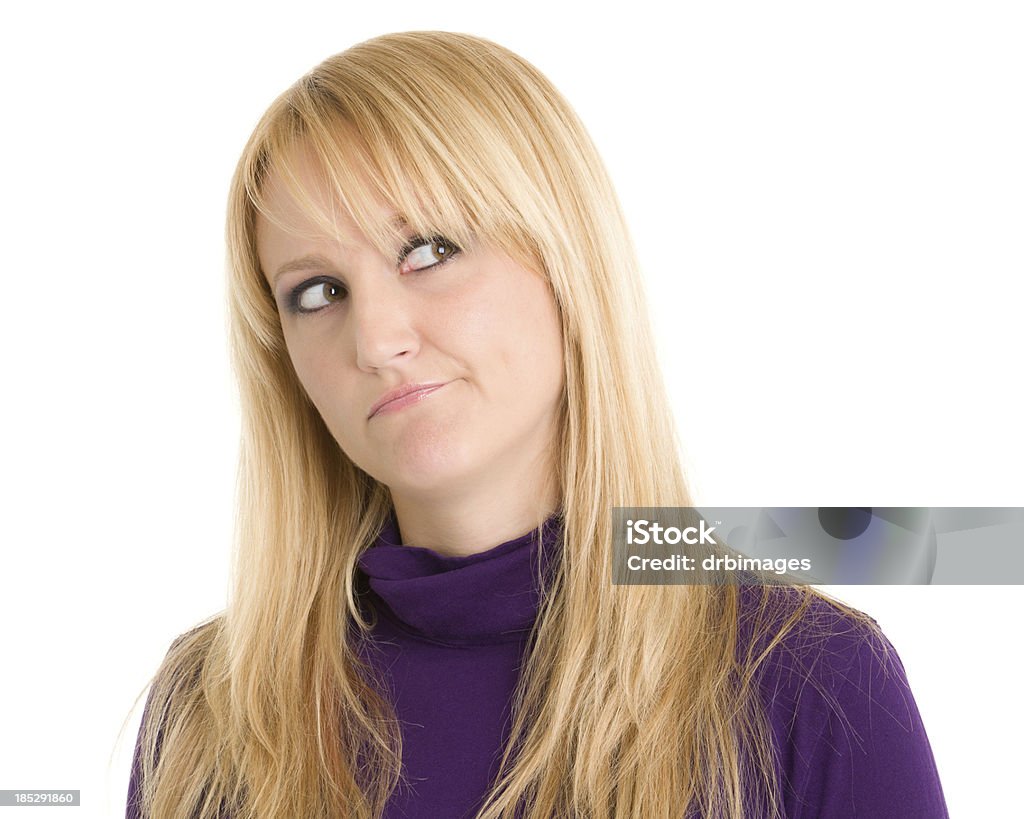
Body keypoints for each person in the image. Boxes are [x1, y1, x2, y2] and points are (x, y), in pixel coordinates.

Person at [126, 31, 949, 818]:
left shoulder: (810, 684)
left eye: (428, 250)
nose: (377, 340)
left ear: (565, 259)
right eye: (317, 292)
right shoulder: (210, 718)